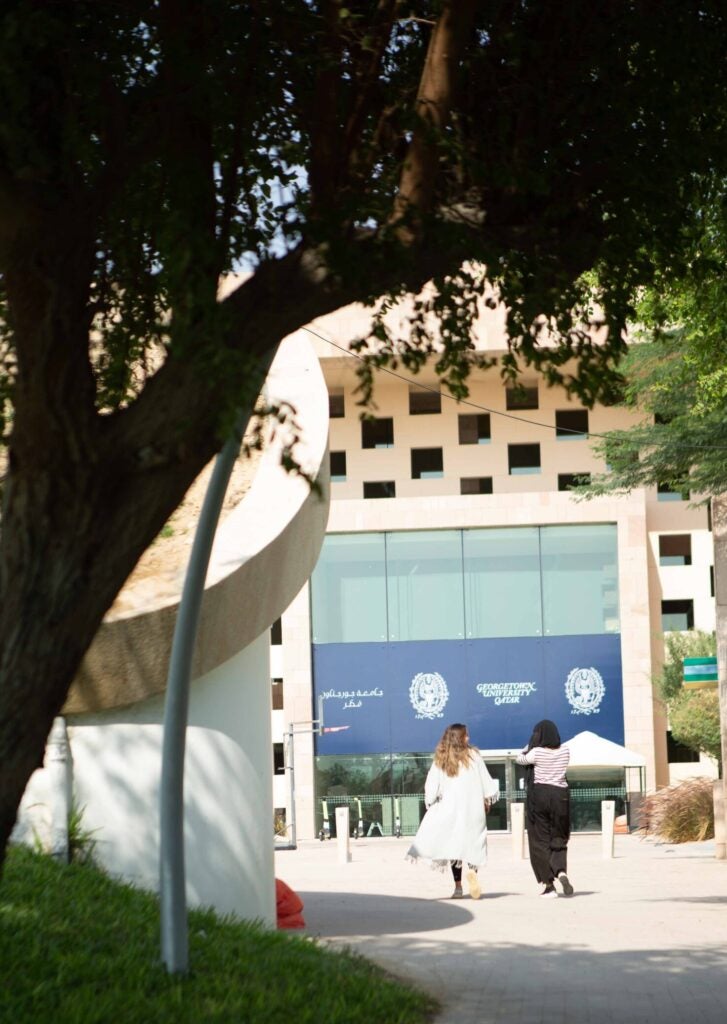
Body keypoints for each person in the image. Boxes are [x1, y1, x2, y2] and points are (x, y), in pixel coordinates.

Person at [407, 723, 499, 899]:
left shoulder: (441, 759)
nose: (468, 738)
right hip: (473, 810)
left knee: (455, 848)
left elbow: (432, 787)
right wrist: (486, 799)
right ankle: (473, 873)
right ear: (459, 738)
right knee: (474, 844)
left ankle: (458, 887)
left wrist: (431, 802)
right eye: (466, 735)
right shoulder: (474, 757)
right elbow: (486, 783)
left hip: (451, 810)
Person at [516, 719, 574, 898]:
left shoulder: (537, 752)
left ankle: (549, 885)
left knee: (540, 839)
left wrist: (529, 745)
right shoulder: (565, 750)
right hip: (561, 795)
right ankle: (561, 871)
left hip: (540, 795)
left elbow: (520, 759)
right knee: (559, 836)